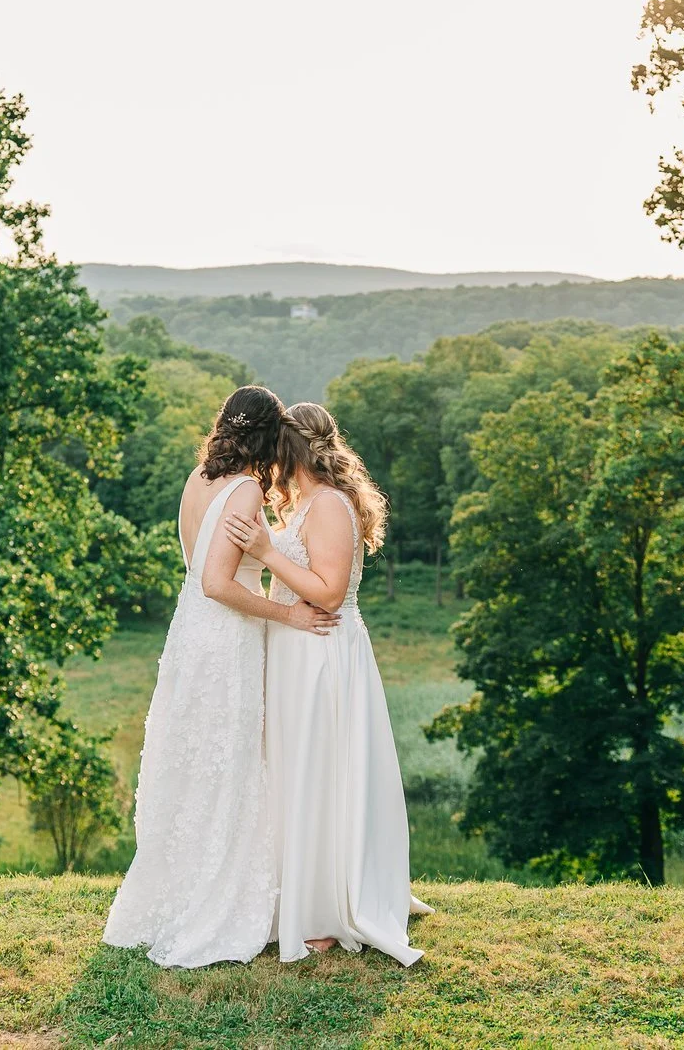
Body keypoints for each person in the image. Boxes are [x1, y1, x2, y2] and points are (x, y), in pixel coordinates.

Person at [101, 386, 339, 968]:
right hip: (225, 638)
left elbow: (195, 571)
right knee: (227, 765)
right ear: (265, 437)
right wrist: (288, 613)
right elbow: (218, 582)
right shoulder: (246, 491)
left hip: (189, 637)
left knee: (196, 764)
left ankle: (181, 893)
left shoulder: (196, 479)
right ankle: (215, 901)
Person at [227, 400, 430, 965]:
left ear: (293, 449)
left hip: (323, 656)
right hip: (295, 652)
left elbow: (330, 591)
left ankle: (327, 908)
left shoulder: (333, 507)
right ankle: (295, 893)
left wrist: (265, 550)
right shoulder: (306, 505)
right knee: (296, 773)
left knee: (322, 773)